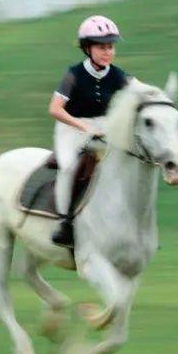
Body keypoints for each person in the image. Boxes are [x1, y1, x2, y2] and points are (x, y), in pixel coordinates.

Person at [47, 15, 131, 247]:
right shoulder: (73, 74)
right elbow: (54, 109)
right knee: (69, 167)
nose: (108, 52)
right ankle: (66, 223)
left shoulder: (118, 75)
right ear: (87, 48)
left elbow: (140, 92)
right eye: (101, 47)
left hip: (104, 129)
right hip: (70, 128)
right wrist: (84, 126)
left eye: (111, 47)